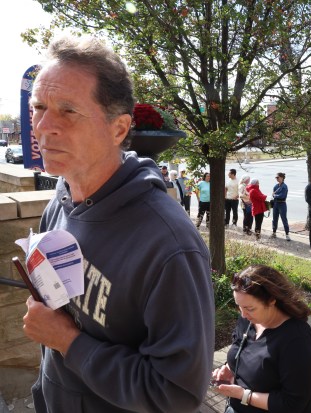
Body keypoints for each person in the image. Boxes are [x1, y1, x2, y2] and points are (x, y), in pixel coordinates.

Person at [22, 35, 214, 412]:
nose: (44, 126)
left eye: (68, 111)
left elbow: (177, 394)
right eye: (39, 106)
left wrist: (69, 343)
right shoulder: (62, 198)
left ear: (119, 129)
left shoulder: (169, 245)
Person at [211, 265, 311, 413]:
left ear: (271, 300)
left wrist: (243, 395)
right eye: (238, 306)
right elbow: (243, 351)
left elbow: (293, 404)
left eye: (250, 308)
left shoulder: (297, 339)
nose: (243, 314)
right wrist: (230, 369)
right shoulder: (248, 319)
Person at [271, 172, 291, 241]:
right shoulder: (276, 186)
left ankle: (287, 234)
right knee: (274, 219)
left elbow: (282, 196)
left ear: (282, 178)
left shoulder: (284, 186)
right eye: (276, 178)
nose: (277, 179)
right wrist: (274, 196)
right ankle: (274, 232)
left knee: (284, 219)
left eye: (278, 177)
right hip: (276, 204)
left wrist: (275, 195)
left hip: (282, 204)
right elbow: (273, 194)